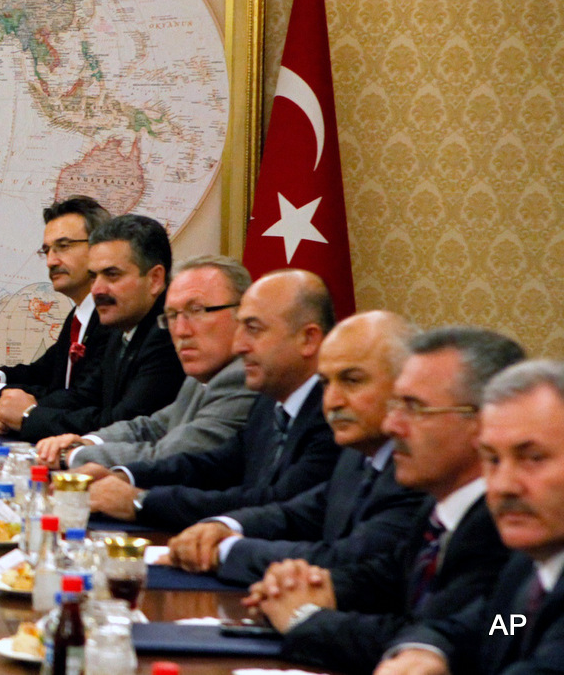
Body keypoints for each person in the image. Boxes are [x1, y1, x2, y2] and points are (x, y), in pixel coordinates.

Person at [245, 327, 523, 674]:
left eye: (414, 408)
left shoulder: (508, 526)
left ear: (484, 422)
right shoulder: (440, 510)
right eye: (396, 405)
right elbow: (391, 581)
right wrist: (316, 586)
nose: (392, 426)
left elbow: (485, 630)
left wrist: (304, 619)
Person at [167, 310, 429, 586]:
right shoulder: (358, 455)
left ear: (406, 387)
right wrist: (223, 527)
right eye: (326, 383)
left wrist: (225, 551)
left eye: (352, 380)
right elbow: (296, 514)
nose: (333, 401)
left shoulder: (419, 469)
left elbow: (346, 560)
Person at [83, 269, 342, 530]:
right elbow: (216, 464)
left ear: (308, 339)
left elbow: (278, 502)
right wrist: (123, 475)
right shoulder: (270, 401)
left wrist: (142, 502)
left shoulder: (334, 413)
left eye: (253, 328)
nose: (239, 345)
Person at [378, 359, 564, 675]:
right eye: (492, 459)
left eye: (532, 458)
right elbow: (494, 628)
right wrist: (430, 652)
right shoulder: (528, 567)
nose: (504, 485)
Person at [34, 255, 257, 469]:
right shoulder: (202, 376)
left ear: (244, 313)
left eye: (196, 310)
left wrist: (75, 455)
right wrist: (88, 441)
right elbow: (151, 427)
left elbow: (171, 455)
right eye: (172, 315)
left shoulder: (243, 377)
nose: (180, 331)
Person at [1, 213, 186, 442]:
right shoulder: (123, 324)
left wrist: (29, 415)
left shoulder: (171, 333)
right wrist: (11, 407)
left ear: (155, 279)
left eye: (111, 275)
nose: (97, 289)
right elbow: (83, 398)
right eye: (93, 276)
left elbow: (118, 424)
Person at [0, 195, 112, 417]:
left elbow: (81, 399)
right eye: (47, 250)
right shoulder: (79, 314)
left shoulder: (113, 319)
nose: (51, 261)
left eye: (63, 246)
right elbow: (41, 373)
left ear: (100, 248)